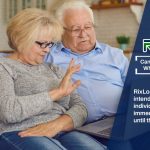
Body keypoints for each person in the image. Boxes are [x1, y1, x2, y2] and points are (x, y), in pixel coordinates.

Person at [0, 8, 106, 150]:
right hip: (21, 132)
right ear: (20, 39)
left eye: (50, 44)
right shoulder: (4, 67)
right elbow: (9, 112)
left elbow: (81, 108)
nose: (47, 50)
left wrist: (58, 124)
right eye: (42, 44)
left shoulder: (53, 69)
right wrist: (56, 94)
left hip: (61, 130)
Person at [45, 1, 129, 123]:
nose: (83, 34)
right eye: (76, 29)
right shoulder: (47, 56)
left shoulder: (115, 55)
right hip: (78, 127)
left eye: (88, 27)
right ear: (61, 31)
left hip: (122, 121)